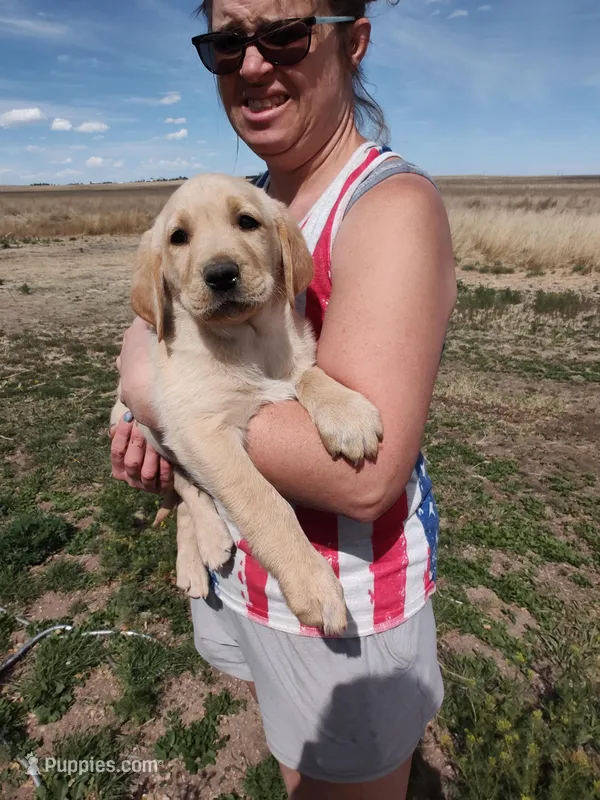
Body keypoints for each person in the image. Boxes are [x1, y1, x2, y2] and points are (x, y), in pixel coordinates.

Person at [110, 1, 457, 797]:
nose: (255, 62)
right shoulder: (260, 194)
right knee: (295, 760)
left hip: (347, 594)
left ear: (354, 39)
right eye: (228, 41)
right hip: (247, 580)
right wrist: (148, 405)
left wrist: (149, 392)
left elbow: (363, 478)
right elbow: (153, 338)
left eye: (286, 32)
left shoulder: (388, 207)